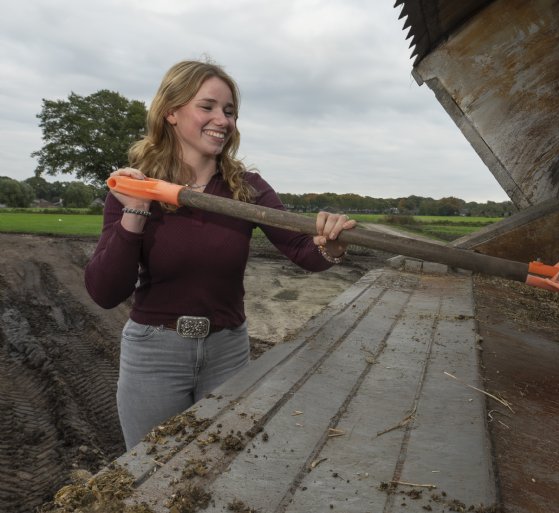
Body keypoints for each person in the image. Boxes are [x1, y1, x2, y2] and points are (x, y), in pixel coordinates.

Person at [84, 59, 356, 450]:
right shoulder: (136, 187)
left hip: (227, 353)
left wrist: (331, 245)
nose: (222, 120)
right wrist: (136, 209)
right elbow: (105, 292)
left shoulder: (247, 188)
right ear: (171, 113)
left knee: (219, 471)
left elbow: (302, 250)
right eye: (207, 106)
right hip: (155, 355)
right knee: (151, 480)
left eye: (229, 111)